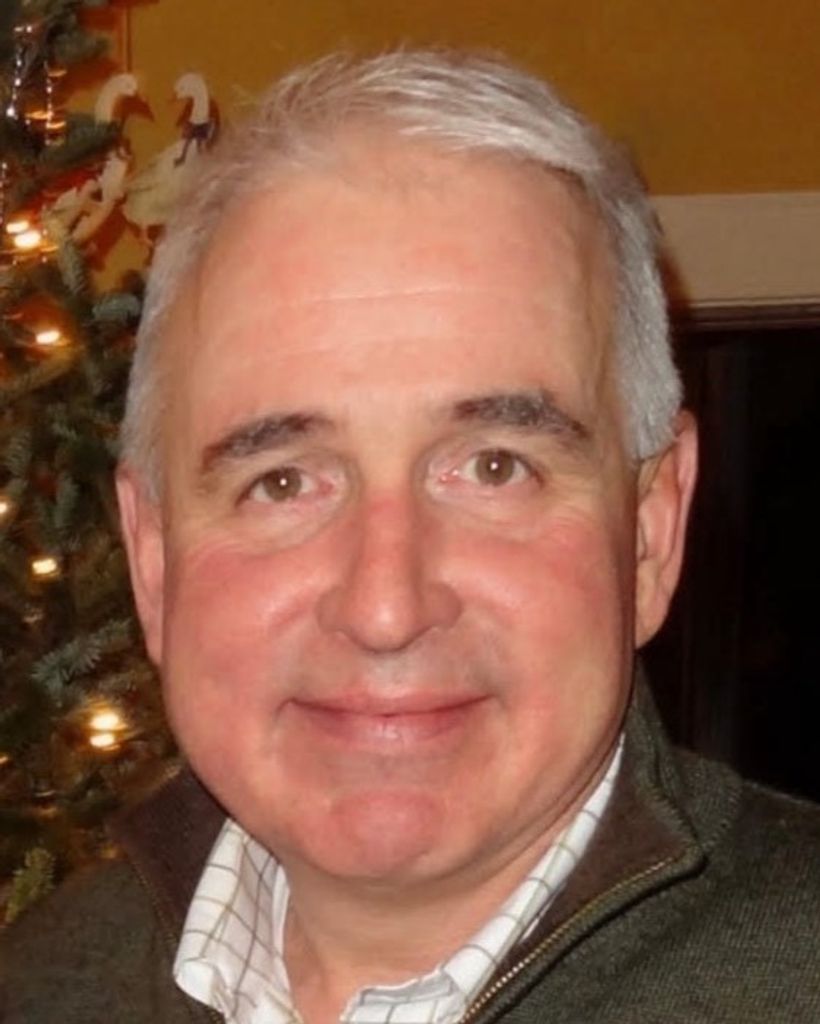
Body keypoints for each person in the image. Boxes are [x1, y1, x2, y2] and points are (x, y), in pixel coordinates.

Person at [2, 49, 818, 1024]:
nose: (385, 607)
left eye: (495, 467)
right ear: (152, 560)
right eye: (282, 482)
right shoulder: (39, 983)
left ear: (650, 530)